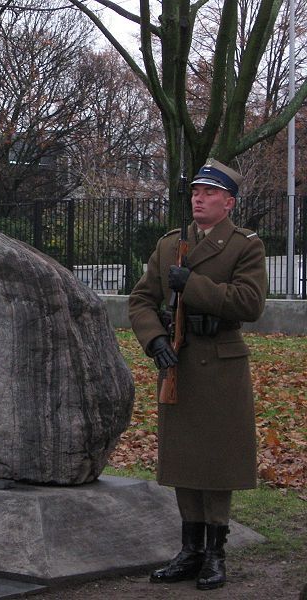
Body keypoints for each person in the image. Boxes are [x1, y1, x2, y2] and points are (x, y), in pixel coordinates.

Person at [128, 159, 267, 590]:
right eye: (195, 193)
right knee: (184, 460)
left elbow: (250, 304)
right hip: (179, 362)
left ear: (229, 201)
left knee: (216, 462)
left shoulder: (245, 246)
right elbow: (141, 300)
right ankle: (188, 550)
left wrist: (192, 285)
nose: (199, 199)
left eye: (208, 193)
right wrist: (155, 342)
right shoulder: (172, 244)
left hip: (221, 363)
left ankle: (215, 553)